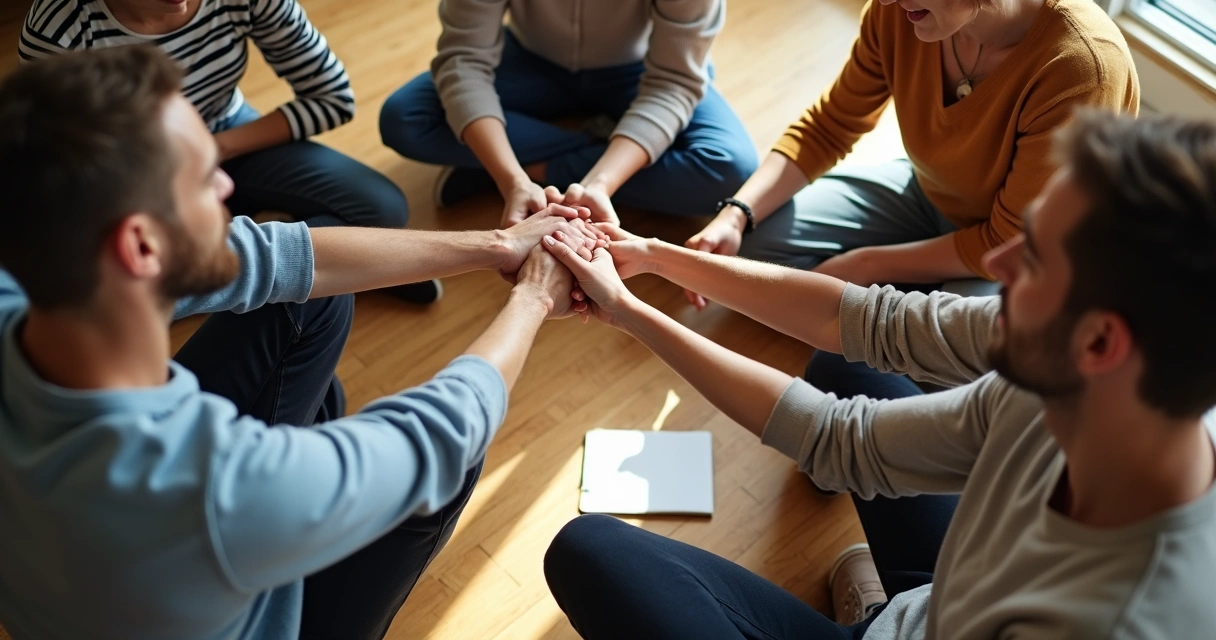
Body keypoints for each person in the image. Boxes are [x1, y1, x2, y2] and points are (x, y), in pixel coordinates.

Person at [0, 45, 606, 640]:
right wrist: (532, 299)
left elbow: (275, 256)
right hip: (219, 548)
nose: (224, 186)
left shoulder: (23, 287)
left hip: (98, 570)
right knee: (448, 468)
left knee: (304, 301)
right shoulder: (218, 487)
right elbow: (438, 434)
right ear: (141, 248)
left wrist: (495, 247)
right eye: (201, 177)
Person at [539, 109, 1216, 638]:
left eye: (1034, 259)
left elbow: (839, 438)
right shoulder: (1071, 380)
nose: (998, 264)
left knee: (590, 552)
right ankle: (898, 596)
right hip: (939, 609)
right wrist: (647, 265)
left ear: (1101, 342)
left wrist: (630, 308)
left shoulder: (1121, 617)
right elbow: (856, 382)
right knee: (847, 361)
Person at [684, 0, 1138, 300]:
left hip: (1026, 256)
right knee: (749, 252)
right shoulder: (903, 11)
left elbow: (1008, 240)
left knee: (947, 356)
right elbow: (830, 125)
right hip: (930, 193)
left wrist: (865, 264)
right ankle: (907, 296)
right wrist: (736, 214)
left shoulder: (1081, 67)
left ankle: (905, 300)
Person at [19, 0, 442, 304]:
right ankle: (321, 261)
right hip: (138, 174)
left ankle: (252, 253)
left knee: (382, 209)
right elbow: (65, 173)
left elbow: (332, 96)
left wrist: (215, 151)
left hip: (230, 134)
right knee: (121, 276)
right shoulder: (60, 30)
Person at [378, 0, 758, 228]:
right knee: (406, 119)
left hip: (639, 69)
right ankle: (612, 142)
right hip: (530, 60)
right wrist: (510, 180)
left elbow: (674, 80)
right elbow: (463, 59)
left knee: (729, 166)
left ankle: (512, 165)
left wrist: (600, 185)